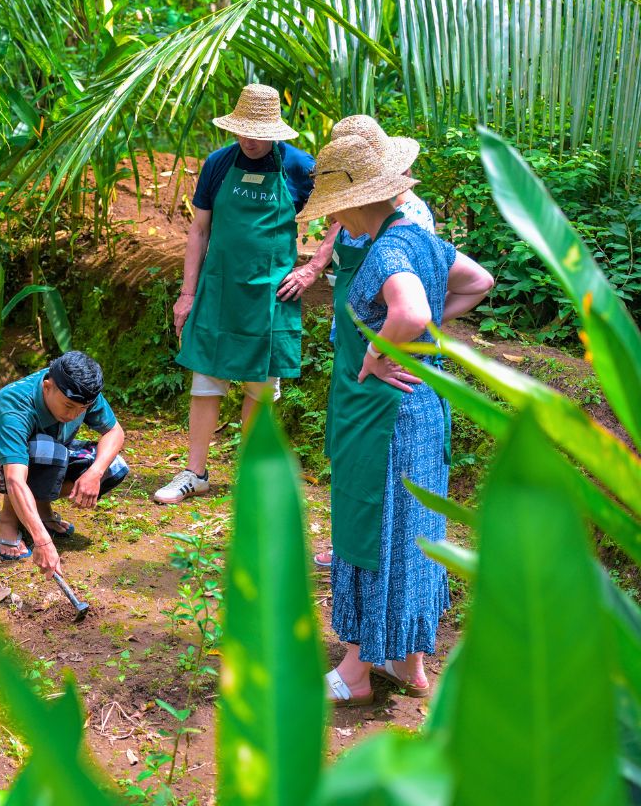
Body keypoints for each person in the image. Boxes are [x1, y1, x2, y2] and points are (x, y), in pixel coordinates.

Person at [295, 135, 493, 705]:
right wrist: (422, 342)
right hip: (424, 407)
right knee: (418, 532)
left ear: (356, 203)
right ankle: (410, 662)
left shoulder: (385, 248)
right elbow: (480, 283)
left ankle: (357, 672)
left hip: (388, 414)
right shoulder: (425, 240)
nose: (337, 220)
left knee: (375, 527)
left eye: (336, 209)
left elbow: (411, 310)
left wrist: (381, 351)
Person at [157, 83, 316, 504]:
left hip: (271, 295)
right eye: (242, 131)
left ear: (275, 131)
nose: (248, 140)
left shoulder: (299, 167)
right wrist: (187, 294)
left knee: (260, 388)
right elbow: (199, 230)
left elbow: (345, 213)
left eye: (257, 132)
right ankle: (194, 473)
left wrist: (314, 268)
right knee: (206, 379)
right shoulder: (217, 163)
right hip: (220, 288)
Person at [308, 115, 437, 569]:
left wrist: (378, 346)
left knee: (377, 470)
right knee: (348, 459)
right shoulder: (360, 219)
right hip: (352, 343)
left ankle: (369, 558)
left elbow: (417, 305)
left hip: (382, 360)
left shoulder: (407, 222)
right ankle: (349, 544)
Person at [0, 351, 128, 578]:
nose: (74, 414)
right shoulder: (15, 404)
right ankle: (7, 521)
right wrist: (42, 541)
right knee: (44, 450)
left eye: (82, 409)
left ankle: (41, 510)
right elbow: (14, 478)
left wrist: (94, 472)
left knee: (113, 466)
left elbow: (115, 432)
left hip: (49, 450)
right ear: (47, 386)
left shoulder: (83, 392)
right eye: (68, 406)